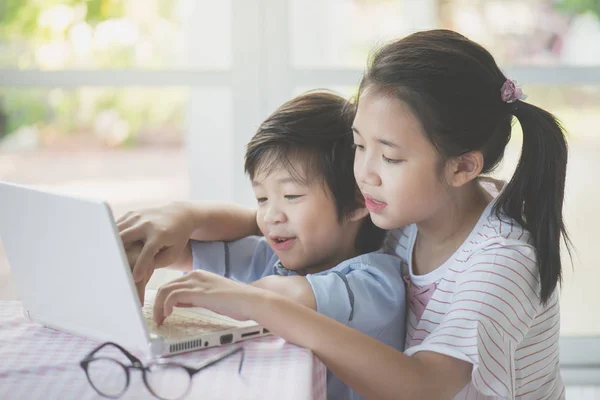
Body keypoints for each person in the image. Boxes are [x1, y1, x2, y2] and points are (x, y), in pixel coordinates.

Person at [119, 30, 571, 399]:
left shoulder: (503, 261)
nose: (364, 173)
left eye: (389, 158)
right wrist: (183, 215)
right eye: (359, 145)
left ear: (462, 167)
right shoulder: (410, 203)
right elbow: (292, 221)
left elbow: (425, 387)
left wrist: (262, 303)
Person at [124, 91, 406, 400]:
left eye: (292, 196)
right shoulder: (271, 258)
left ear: (355, 202)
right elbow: (180, 249)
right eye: (261, 198)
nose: (271, 215)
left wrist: (232, 295)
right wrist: (158, 237)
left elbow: (298, 295)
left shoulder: (377, 283)